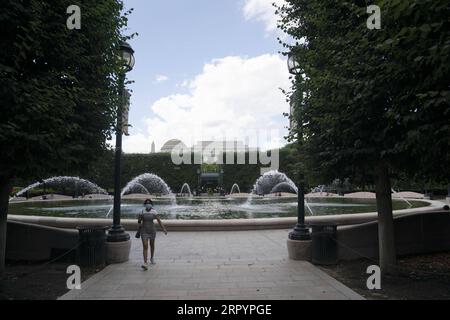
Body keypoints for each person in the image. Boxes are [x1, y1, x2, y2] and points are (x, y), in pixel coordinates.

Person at [138, 198, 167, 270]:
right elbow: (139, 221)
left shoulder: (154, 211)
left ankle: (152, 257)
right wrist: (139, 220)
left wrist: (163, 229)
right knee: (145, 246)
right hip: (144, 231)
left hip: (152, 230)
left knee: (152, 244)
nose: (148, 204)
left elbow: (159, 221)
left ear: (151, 204)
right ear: (145, 204)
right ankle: (145, 263)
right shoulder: (142, 211)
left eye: (149, 203)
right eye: (147, 203)